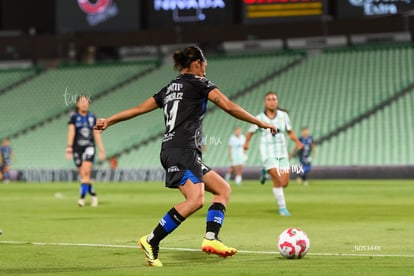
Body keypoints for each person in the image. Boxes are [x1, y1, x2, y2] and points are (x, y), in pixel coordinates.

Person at [94, 45, 277, 267]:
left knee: (222, 189)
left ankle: (211, 239)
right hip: (182, 150)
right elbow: (228, 106)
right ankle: (151, 240)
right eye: (205, 62)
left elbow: (139, 109)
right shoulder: (200, 83)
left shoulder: (170, 88)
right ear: (197, 63)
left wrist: (109, 120)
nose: (206, 66)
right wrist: (260, 122)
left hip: (177, 150)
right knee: (196, 200)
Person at [244, 92, 303, 217]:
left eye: (274, 99)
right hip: (268, 152)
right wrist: (246, 143)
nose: (272, 101)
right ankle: (282, 208)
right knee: (277, 178)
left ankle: (265, 172)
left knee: (284, 183)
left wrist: (297, 142)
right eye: (269, 99)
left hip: (282, 152)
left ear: (277, 101)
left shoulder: (284, 116)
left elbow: (290, 132)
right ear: (265, 102)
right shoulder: (259, 117)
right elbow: (250, 132)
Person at [66, 95, 105, 207]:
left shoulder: (92, 117)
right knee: (84, 176)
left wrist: (101, 149)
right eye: (82, 102)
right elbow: (71, 132)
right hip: (76, 148)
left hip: (89, 147)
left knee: (86, 173)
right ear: (77, 104)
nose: (84, 104)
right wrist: (69, 147)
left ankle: (82, 199)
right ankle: (93, 195)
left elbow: (96, 133)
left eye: (86, 102)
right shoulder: (73, 117)